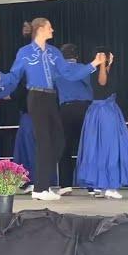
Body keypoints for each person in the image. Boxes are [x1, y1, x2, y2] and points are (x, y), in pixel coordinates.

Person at [0, 18, 105, 201]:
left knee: (58, 141)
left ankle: (42, 185)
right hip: (36, 97)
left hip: (51, 97)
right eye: (49, 27)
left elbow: (69, 73)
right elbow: (14, 77)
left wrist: (93, 64)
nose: (52, 29)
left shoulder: (54, 52)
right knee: (45, 141)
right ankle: (41, 188)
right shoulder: (24, 52)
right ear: (40, 29)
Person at [75, 49, 128, 199]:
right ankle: (109, 186)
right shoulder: (96, 71)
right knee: (107, 148)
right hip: (104, 112)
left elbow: (105, 82)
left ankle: (100, 185)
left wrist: (107, 65)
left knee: (101, 148)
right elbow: (102, 83)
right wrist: (103, 63)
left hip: (102, 112)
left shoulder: (103, 70)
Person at [53, 43, 93, 196]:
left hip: (66, 109)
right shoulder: (85, 69)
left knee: (64, 147)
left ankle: (65, 185)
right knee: (88, 147)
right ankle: (92, 186)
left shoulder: (57, 71)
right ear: (76, 56)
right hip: (86, 109)